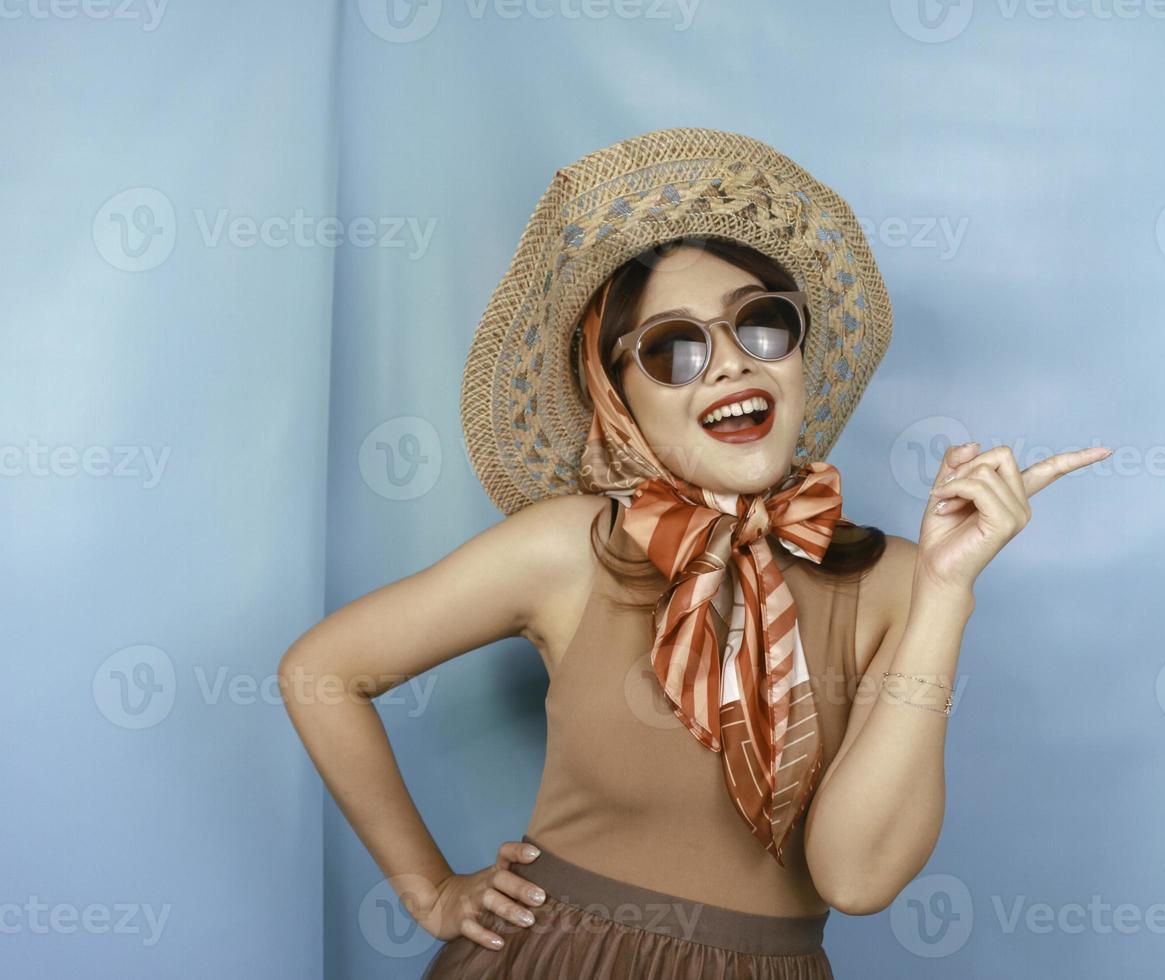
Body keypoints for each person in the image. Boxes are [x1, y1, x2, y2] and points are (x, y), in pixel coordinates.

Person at [278, 127, 1110, 978]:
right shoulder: (571, 549)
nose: (726, 366)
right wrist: (430, 891)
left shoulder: (897, 582)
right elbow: (322, 671)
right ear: (619, 399)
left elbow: (856, 880)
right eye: (674, 350)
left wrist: (946, 590)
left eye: (761, 325)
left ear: (796, 359)